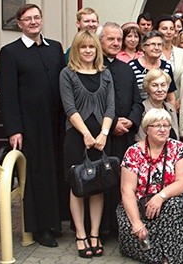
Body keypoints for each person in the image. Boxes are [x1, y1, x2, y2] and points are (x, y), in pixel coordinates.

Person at [0, 3, 66, 247]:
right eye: (28, 19)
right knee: (37, 174)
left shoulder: (55, 48)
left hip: (56, 121)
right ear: (20, 24)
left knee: (56, 169)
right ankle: (39, 228)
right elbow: (6, 94)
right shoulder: (10, 52)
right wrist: (14, 129)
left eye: (37, 17)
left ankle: (55, 221)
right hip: (30, 125)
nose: (34, 22)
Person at [60, 30, 115, 258]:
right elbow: (69, 107)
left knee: (98, 186)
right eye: (83, 47)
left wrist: (103, 133)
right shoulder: (67, 74)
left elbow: (111, 107)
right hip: (76, 136)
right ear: (76, 50)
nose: (88, 51)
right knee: (78, 186)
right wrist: (85, 133)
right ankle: (81, 234)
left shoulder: (105, 73)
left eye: (92, 47)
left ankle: (95, 234)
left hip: (101, 137)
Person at [117, 108, 183, 264]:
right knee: (136, 232)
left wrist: (160, 197)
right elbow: (127, 190)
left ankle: (167, 256)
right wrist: (136, 222)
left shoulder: (178, 148)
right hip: (139, 205)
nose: (163, 129)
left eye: (166, 125)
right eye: (157, 125)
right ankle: (160, 252)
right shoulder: (133, 152)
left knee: (176, 203)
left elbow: (182, 183)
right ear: (147, 129)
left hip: (165, 204)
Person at [98, 22, 145, 237]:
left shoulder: (127, 69)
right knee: (103, 182)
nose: (116, 43)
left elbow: (138, 101)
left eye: (118, 39)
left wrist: (131, 121)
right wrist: (113, 122)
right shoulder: (94, 68)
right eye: (111, 39)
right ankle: (103, 227)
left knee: (124, 183)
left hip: (126, 137)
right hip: (103, 136)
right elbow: (93, 105)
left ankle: (122, 227)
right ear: (100, 41)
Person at [136, 69, 179, 141]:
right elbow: (141, 141)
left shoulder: (170, 109)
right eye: (155, 85)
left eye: (163, 85)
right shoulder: (141, 109)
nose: (160, 89)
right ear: (147, 88)